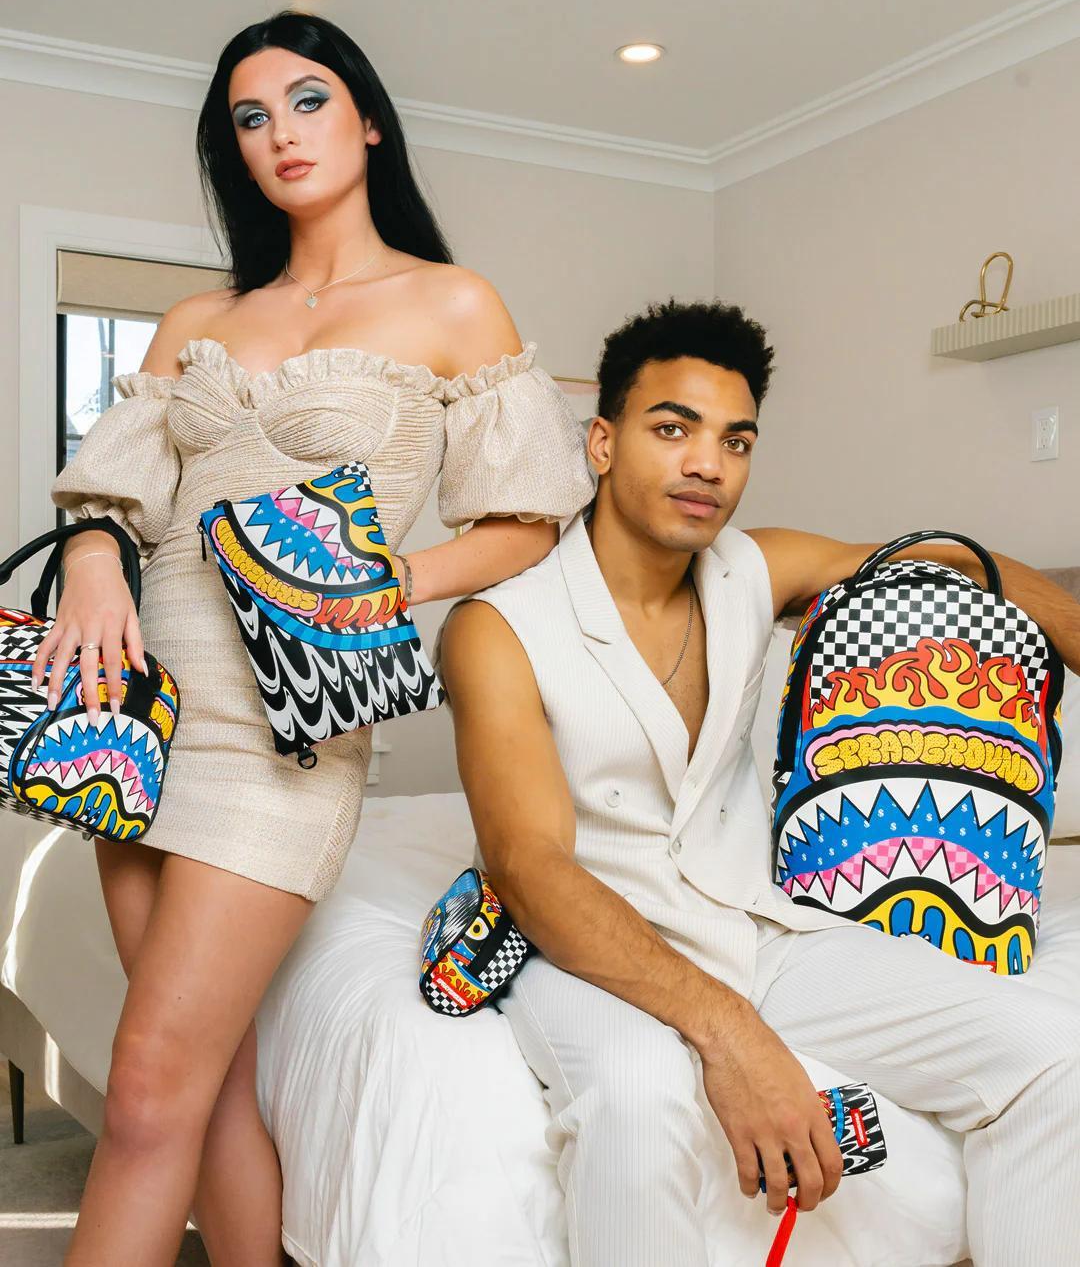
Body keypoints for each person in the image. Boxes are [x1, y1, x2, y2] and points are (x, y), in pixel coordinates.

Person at [39, 10, 594, 1267]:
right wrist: (92, 560)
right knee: (211, 1080)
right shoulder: (198, 316)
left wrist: (391, 581)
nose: (279, 134)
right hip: (133, 711)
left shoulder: (451, 302)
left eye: (306, 101)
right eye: (250, 118)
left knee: (144, 1092)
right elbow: (115, 499)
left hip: (280, 739)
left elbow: (526, 522)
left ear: (368, 120)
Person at [437, 296, 1080, 1267]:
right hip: (591, 949)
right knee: (642, 1101)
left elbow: (941, 561)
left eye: (735, 441)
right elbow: (530, 867)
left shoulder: (753, 568)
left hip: (766, 934)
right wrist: (729, 1034)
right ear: (602, 443)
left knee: (1055, 1054)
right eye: (673, 429)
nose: (708, 463)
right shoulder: (498, 629)